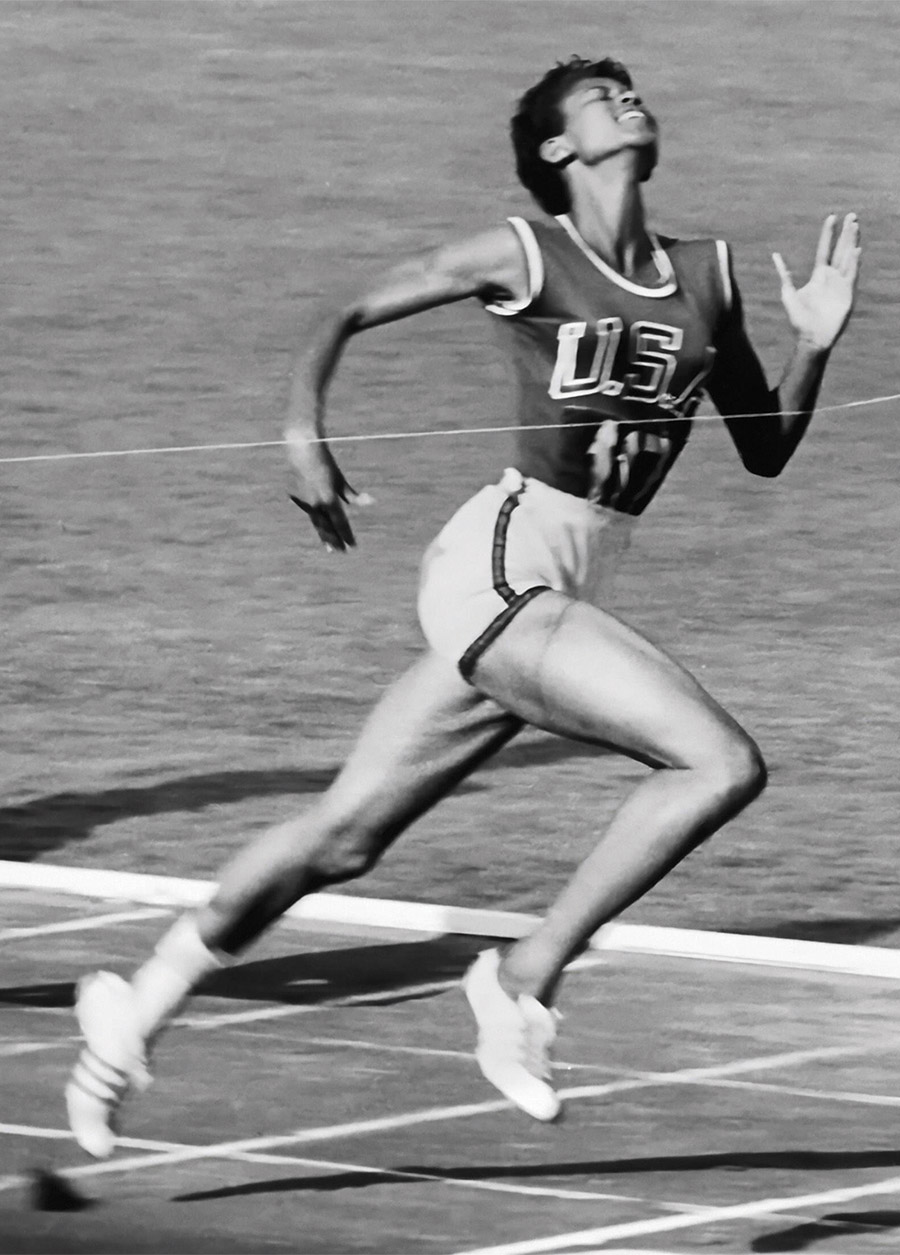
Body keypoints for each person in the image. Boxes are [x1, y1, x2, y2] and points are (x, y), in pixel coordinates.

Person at [66, 56, 860, 1156]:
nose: (627, 98)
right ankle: (523, 979)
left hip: (569, 586)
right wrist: (305, 427)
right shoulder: (525, 252)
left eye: (631, 87)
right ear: (555, 148)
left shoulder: (705, 274)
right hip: (499, 564)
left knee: (342, 840)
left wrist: (815, 341)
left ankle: (130, 1012)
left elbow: (765, 449)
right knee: (718, 763)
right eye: (601, 93)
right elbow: (344, 310)